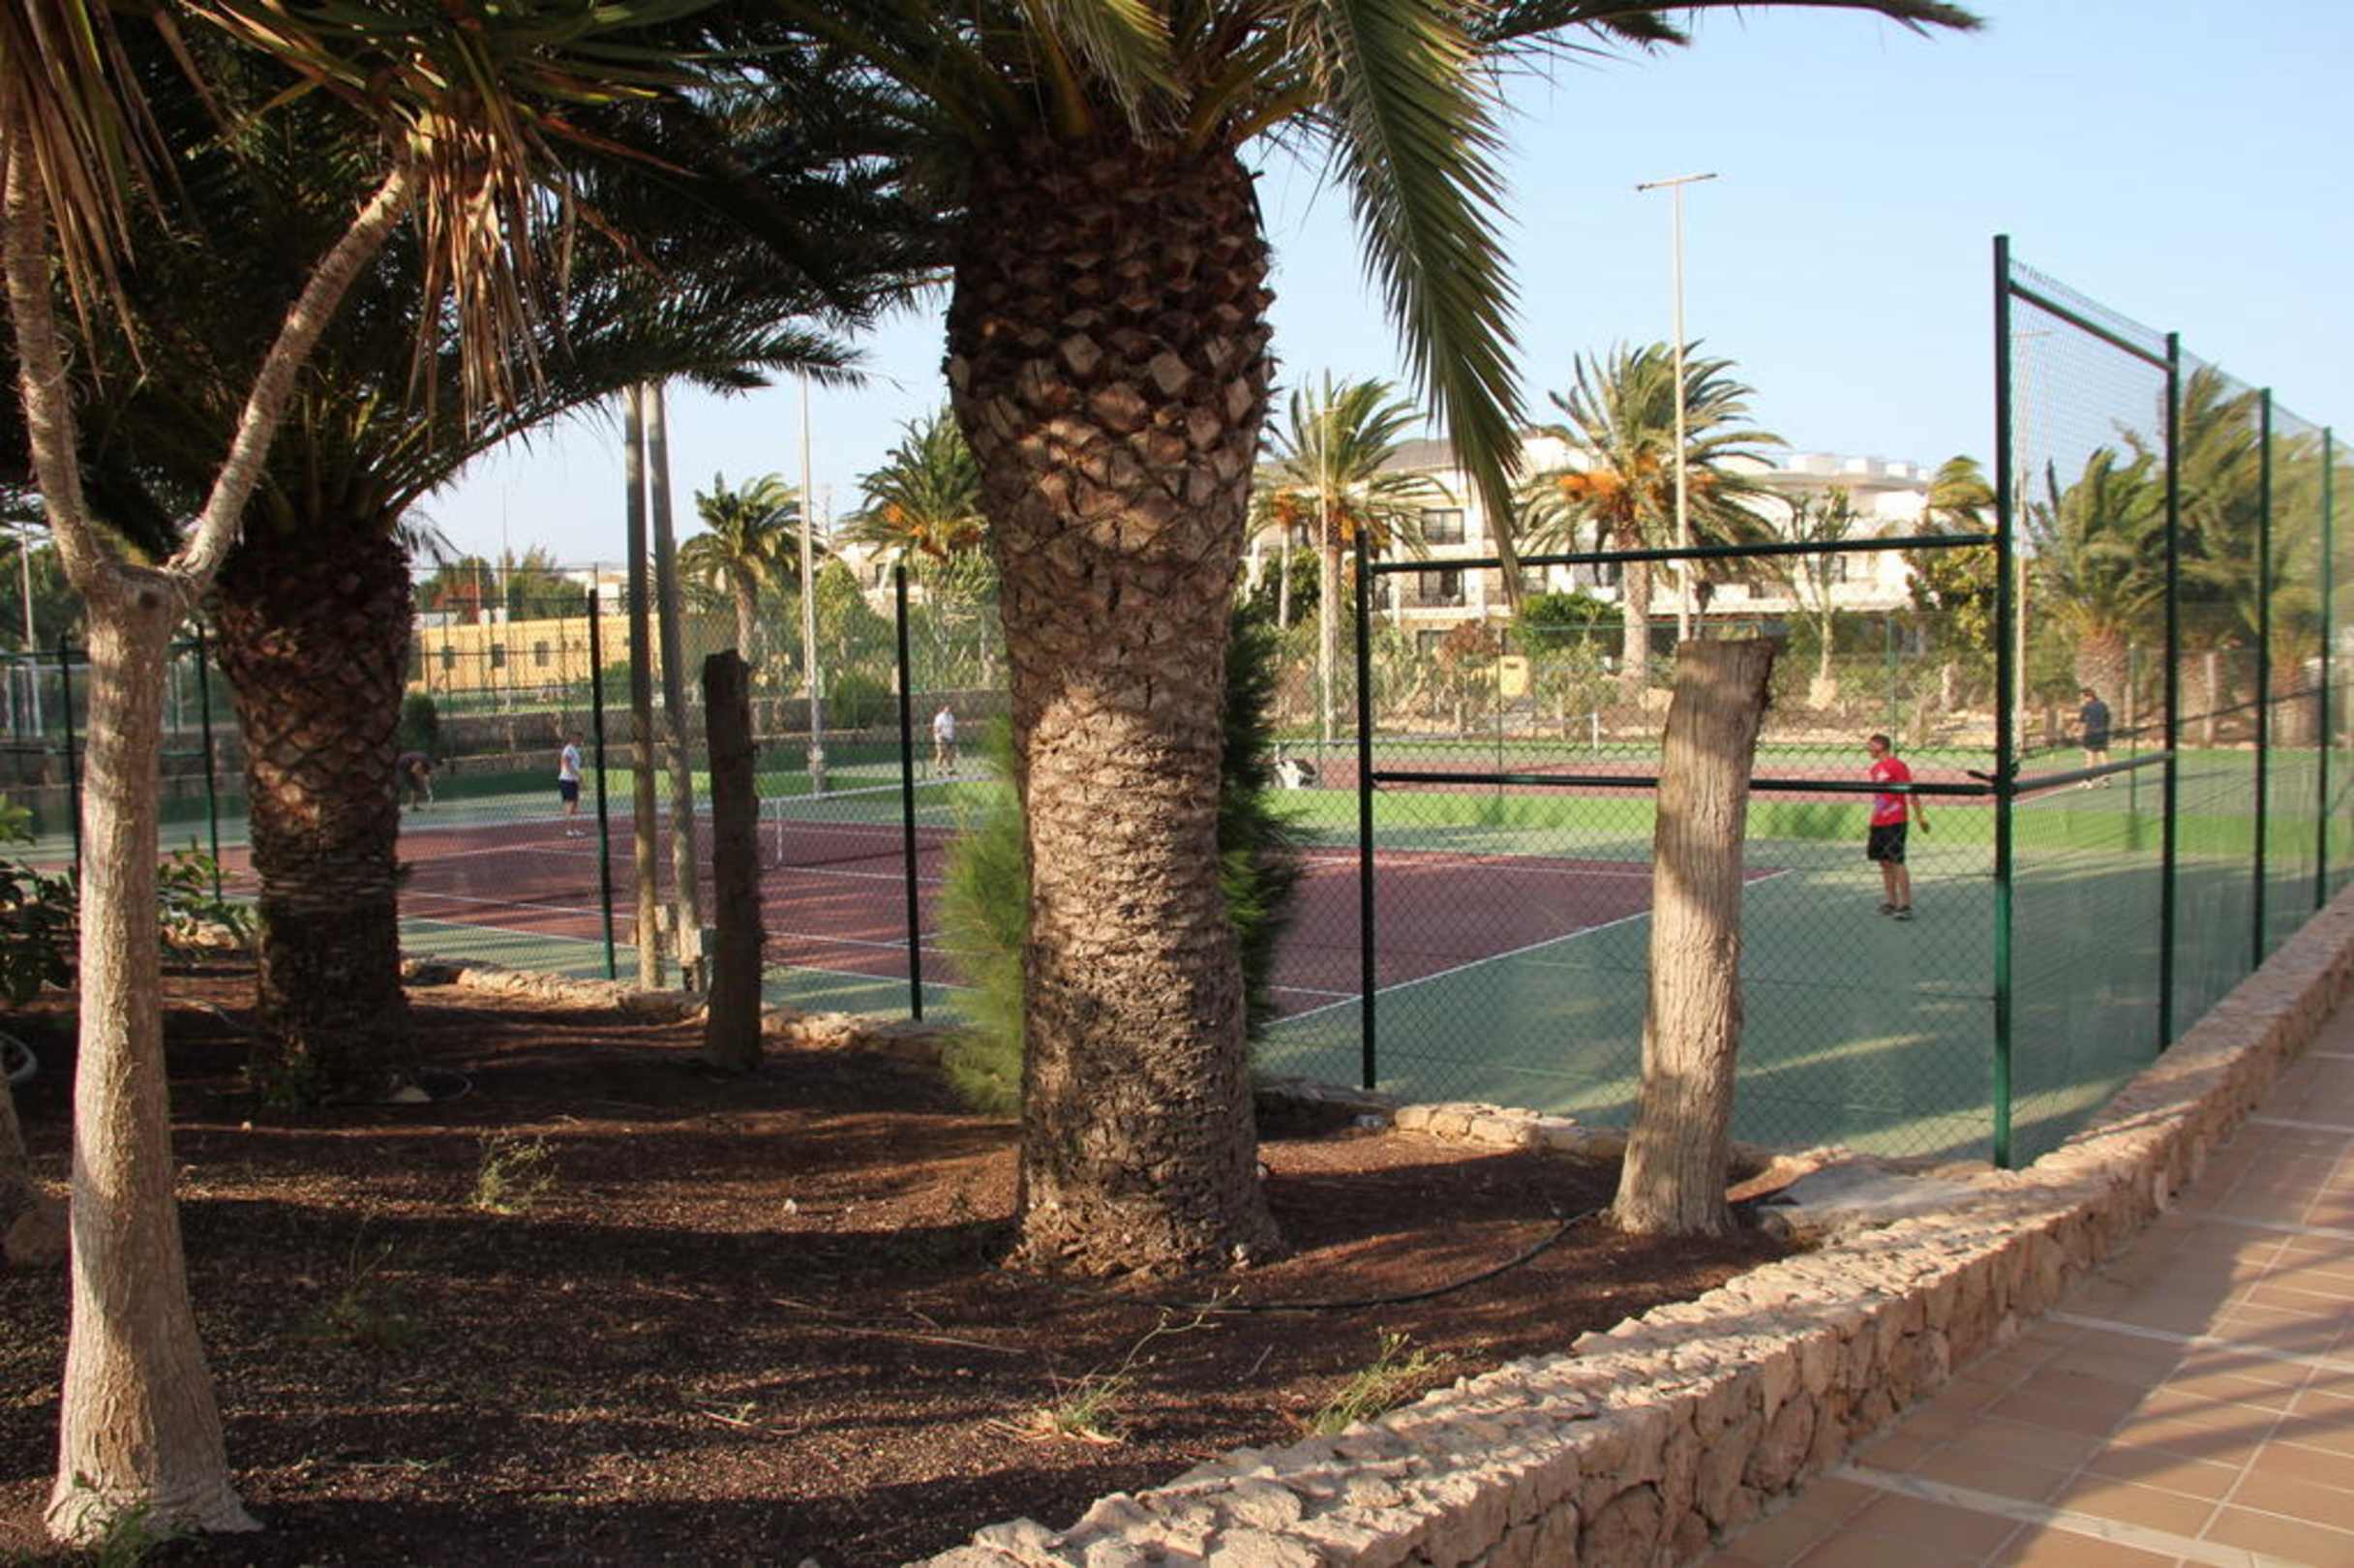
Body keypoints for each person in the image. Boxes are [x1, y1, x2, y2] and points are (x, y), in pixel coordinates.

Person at [1865, 733, 1927, 920]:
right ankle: (1891, 902)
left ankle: (1905, 904)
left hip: (1896, 820)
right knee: (1884, 862)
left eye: (1870, 746)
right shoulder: (1875, 769)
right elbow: (1880, 798)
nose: (1867, 749)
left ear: (1880, 747)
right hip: (1879, 821)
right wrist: (1874, 816)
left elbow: (1911, 791)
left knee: (1897, 861)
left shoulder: (1897, 766)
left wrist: (1920, 817)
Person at [2077, 685, 2112, 786]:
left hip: (2091, 734)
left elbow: (2082, 723)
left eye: (2082, 697)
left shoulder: (2086, 707)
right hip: (2103, 733)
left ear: (2088, 696)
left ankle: (2088, 781)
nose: (2082, 699)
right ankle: (2106, 780)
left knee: (2090, 758)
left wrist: (2079, 734)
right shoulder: (2103, 705)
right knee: (2103, 755)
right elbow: (2108, 718)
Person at [558, 732, 585, 835]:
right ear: (574, 738)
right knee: (570, 804)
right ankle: (569, 829)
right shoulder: (568, 749)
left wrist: (577, 778)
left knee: (574, 805)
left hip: (572, 781)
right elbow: (566, 762)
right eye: (579, 739)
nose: (580, 741)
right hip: (566, 780)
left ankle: (573, 828)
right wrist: (577, 775)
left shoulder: (575, 750)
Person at [931, 704, 957, 777]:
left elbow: (953, 727)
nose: (948, 708)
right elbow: (936, 728)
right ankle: (938, 769)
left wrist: (953, 736)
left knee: (950, 754)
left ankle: (950, 769)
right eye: (947, 707)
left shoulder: (951, 716)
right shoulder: (939, 717)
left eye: (949, 707)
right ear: (944, 709)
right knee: (941, 753)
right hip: (941, 738)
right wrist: (940, 736)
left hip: (950, 738)